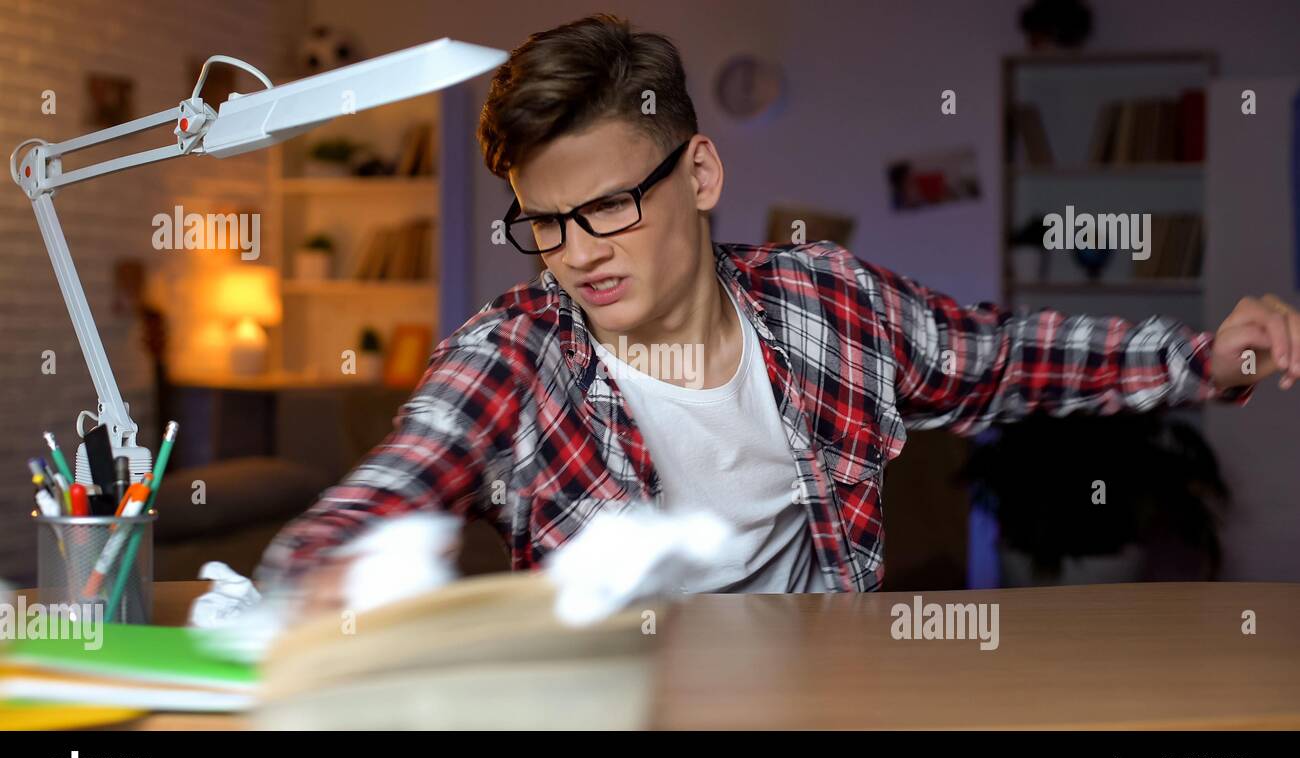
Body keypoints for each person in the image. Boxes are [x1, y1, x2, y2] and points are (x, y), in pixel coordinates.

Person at [256, 14, 1298, 603]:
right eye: (546, 222)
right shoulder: (511, 352)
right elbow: (395, 480)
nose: (577, 253)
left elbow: (1001, 354)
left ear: (698, 172)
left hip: (822, 699)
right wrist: (318, 569)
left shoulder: (825, 304)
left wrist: (1203, 361)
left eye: (611, 205)